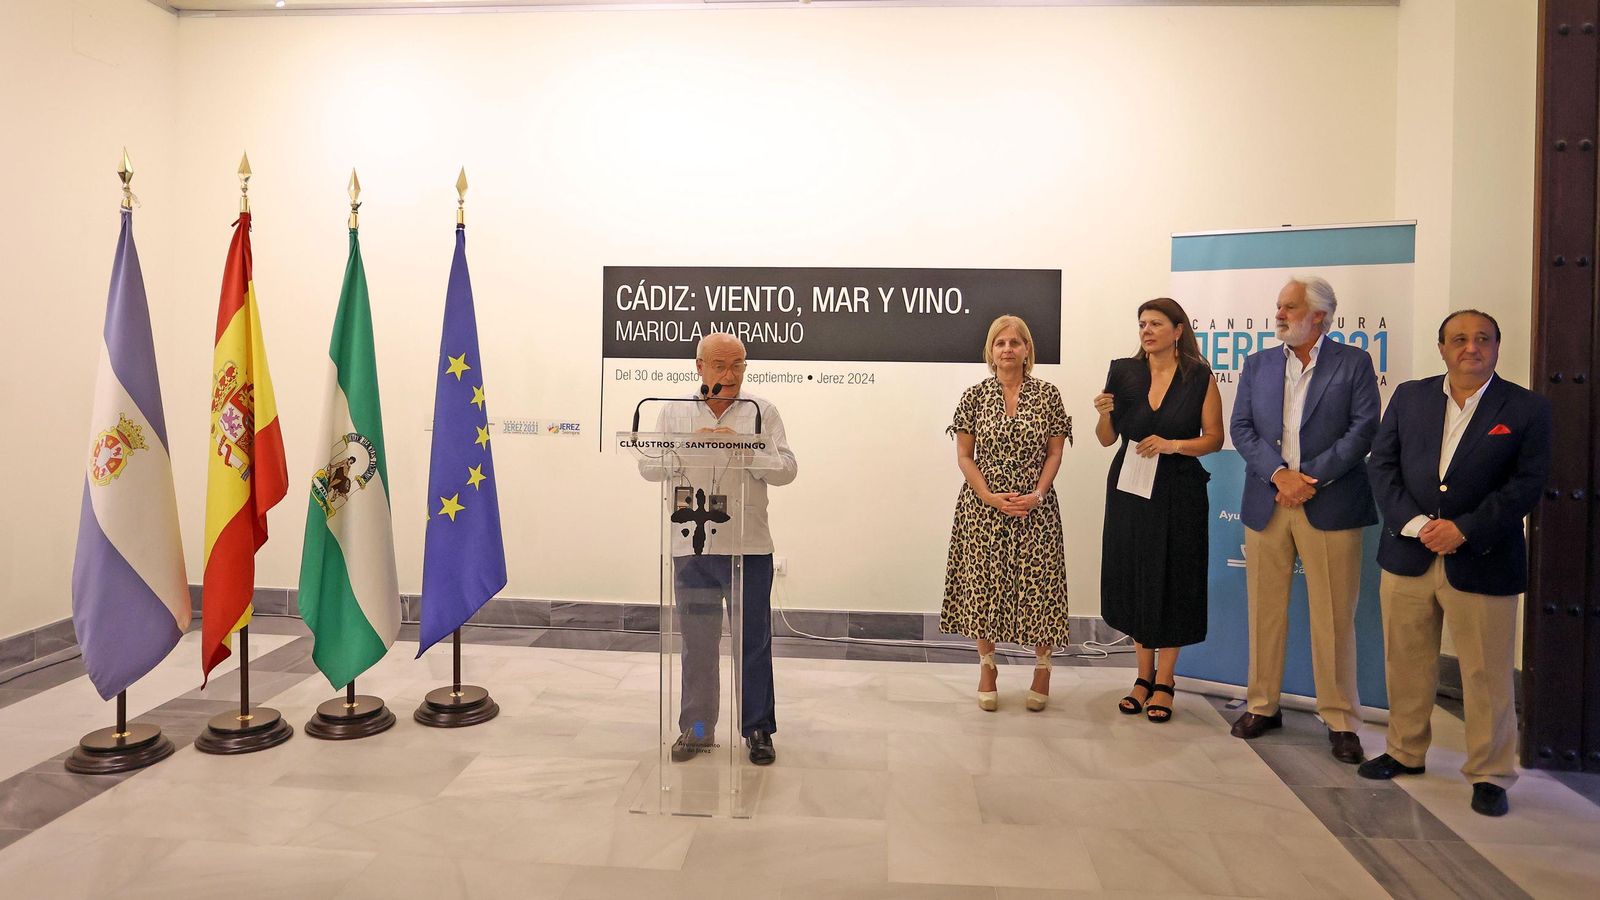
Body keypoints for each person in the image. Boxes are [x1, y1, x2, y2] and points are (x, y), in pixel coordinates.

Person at [1360, 310, 1551, 817]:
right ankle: (1405, 751)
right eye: (1460, 339)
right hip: (1408, 553)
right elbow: (1382, 466)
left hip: (1484, 557)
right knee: (1406, 663)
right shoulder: (1410, 396)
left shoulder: (1527, 408)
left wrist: (1464, 528)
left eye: (1483, 339)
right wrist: (1418, 525)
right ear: (1442, 348)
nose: (1472, 347)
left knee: (1486, 673)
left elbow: (1526, 486)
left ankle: (1490, 773)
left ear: (1497, 347)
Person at [1227, 277, 1380, 765]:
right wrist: (1278, 476)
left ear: (1319, 316)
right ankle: (1262, 705)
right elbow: (1242, 427)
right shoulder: (1258, 364)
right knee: (1264, 611)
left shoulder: (1353, 363)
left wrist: (1307, 478)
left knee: (1334, 617)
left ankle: (1339, 719)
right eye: (1278, 306)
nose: (1279, 314)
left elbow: (1363, 430)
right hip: (1268, 501)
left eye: (1288, 307)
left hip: (1328, 503)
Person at [639, 332, 798, 765]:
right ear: (700, 368)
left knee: (754, 643)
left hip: (749, 547)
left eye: (738, 366)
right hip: (692, 545)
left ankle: (758, 730)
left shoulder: (762, 412)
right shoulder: (673, 412)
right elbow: (648, 466)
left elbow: (787, 469)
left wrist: (743, 450)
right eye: (721, 366)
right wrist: (688, 449)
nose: (730, 375)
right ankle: (697, 729)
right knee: (697, 643)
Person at [1094, 298, 1223, 722]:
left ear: (1178, 330)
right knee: (1135, 574)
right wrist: (1103, 415)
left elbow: (1215, 438)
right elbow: (1105, 438)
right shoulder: (1124, 372)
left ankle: (1166, 681)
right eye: (1142, 324)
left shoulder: (1199, 376)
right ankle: (1141, 677)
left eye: (1155, 324)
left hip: (1178, 489)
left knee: (1173, 577)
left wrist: (1173, 445)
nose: (1146, 331)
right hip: (1129, 486)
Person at [941, 315, 1071, 713]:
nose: (1008, 349)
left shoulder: (1048, 395)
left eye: (1016, 342)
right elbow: (964, 456)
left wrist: (1036, 493)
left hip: (1036, 508)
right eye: (1000, 343)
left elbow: (1054, 452)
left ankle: (1043, 667)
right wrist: (991, 497)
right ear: (990, 351)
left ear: (1027, 349)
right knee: (983, 587)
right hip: (983, 508)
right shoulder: (974, 396)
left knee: (1040, 587)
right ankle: (987, 665)